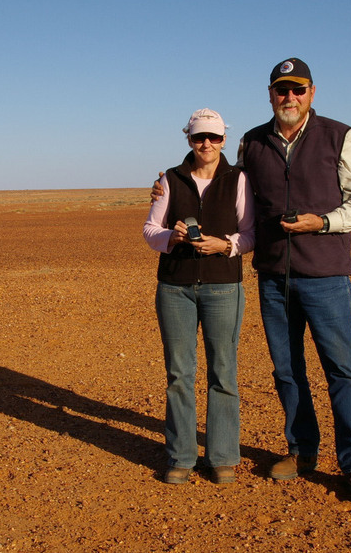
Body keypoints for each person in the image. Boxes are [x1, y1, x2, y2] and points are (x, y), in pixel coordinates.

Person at [152, 59, 351, 504]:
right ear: (271, 93)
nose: (289, 98)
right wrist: (169, 187)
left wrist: (323, 221)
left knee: (341, 370)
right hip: (274, 276)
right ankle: (301, 451)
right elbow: (225, 185)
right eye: (281, 90)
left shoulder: (341, 136)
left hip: (326, 274)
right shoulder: (252, 143)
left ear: (312, 92)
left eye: (297, 89)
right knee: (287, 370)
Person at [143, 108, 255, 485]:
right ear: (188, 139)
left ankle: (222, 456)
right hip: (175, 287)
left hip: (224, 286)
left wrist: (225, 246)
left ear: (224, 139)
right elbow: (149, 229)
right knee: (179, 374)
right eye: (198, 137)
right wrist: (169, 238)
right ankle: (181, 456)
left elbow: (251, 232)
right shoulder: (170, 180)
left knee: (223, 371)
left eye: (214, 137)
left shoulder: (238, 179)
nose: (206, 144)